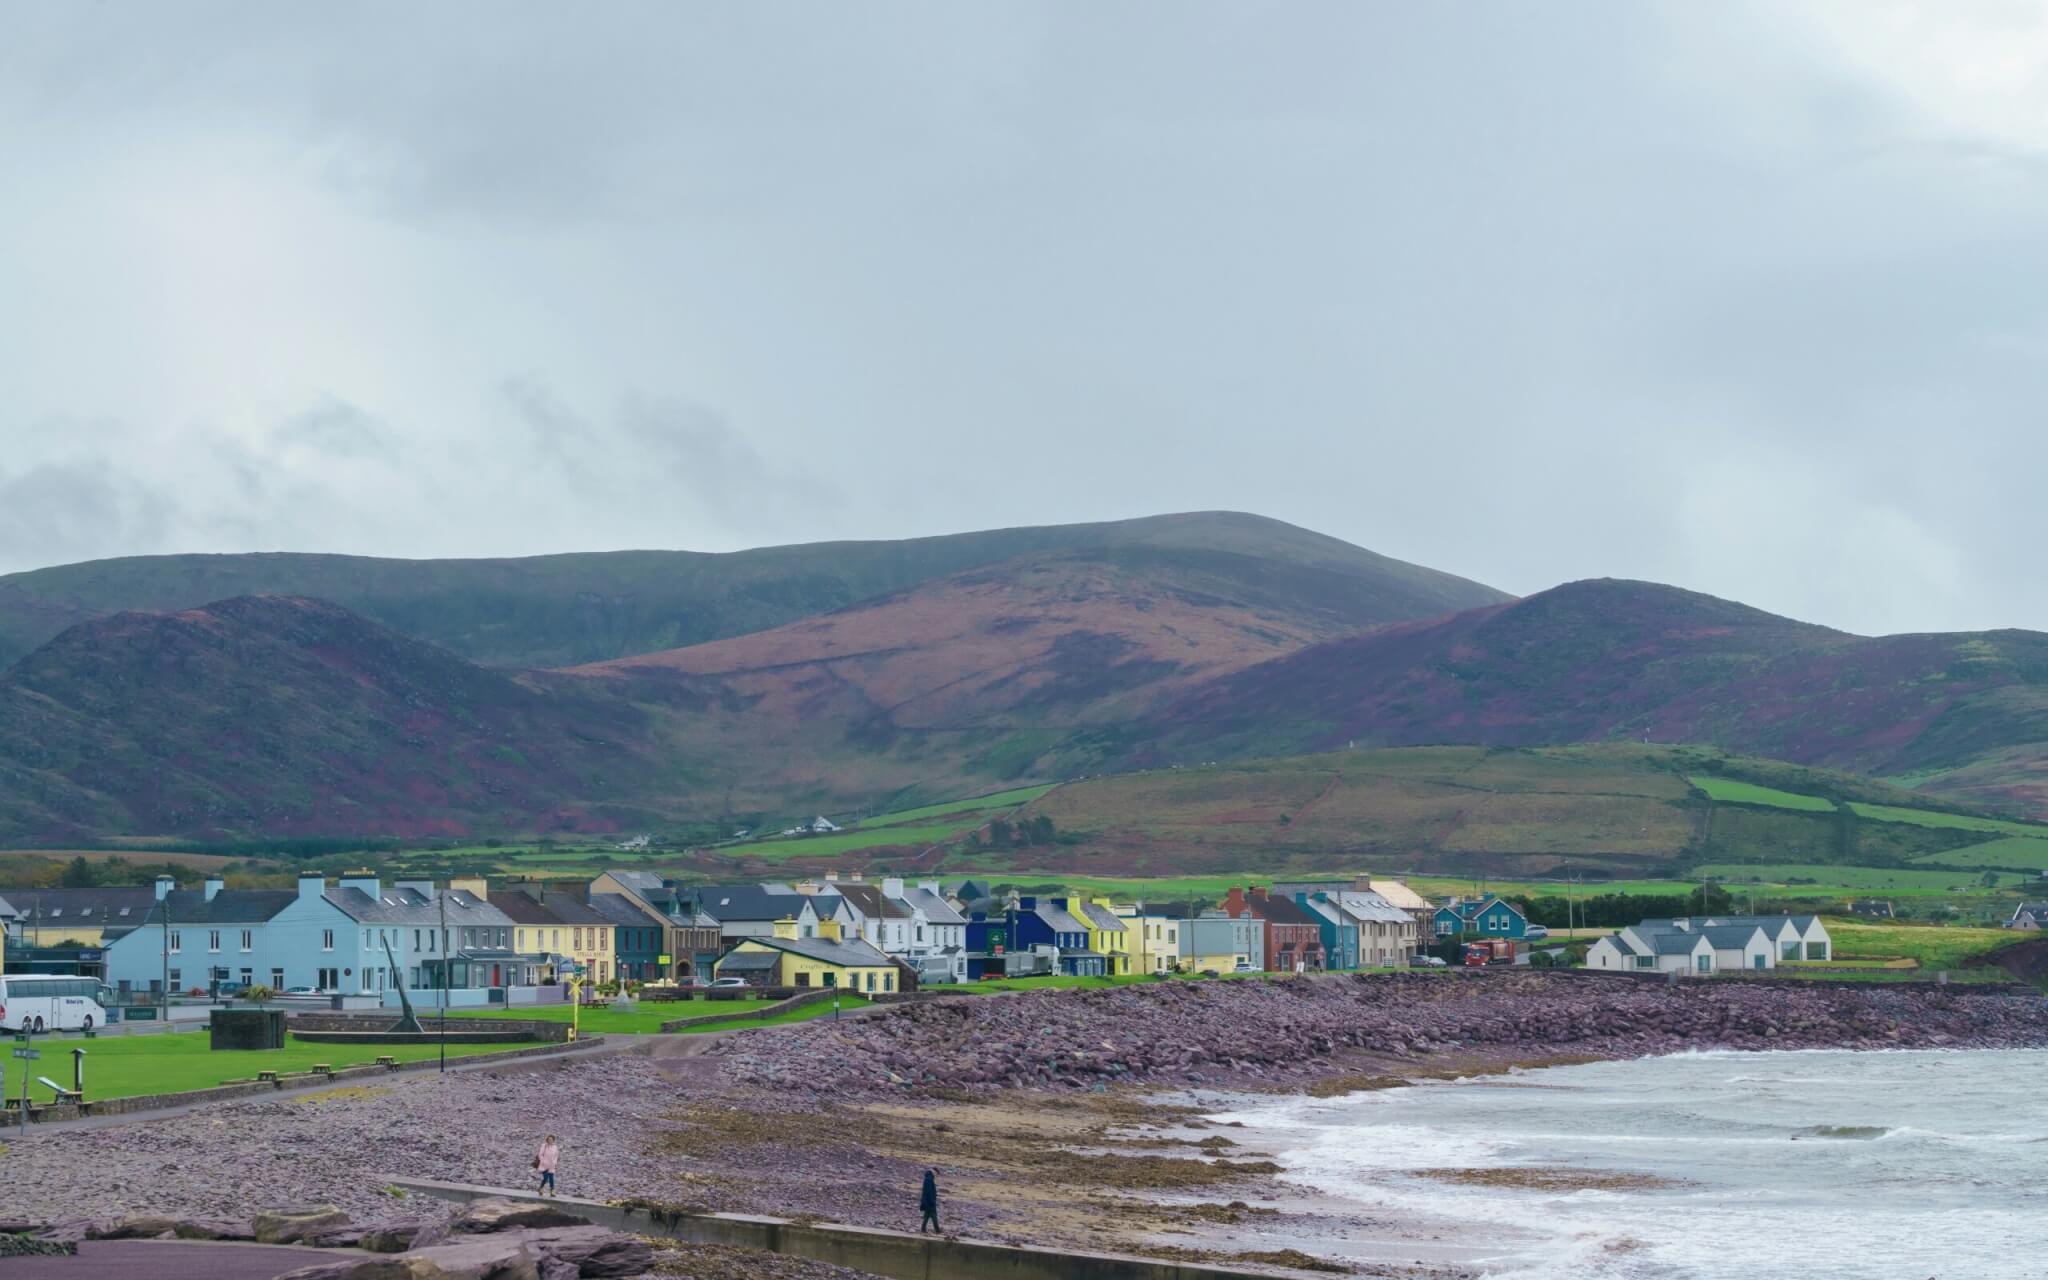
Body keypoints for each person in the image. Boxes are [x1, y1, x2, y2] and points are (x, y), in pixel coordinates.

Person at [918, 1168, 939, 1234]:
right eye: (937, 1174)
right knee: (934, 1215)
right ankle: (937, 1230)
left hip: (927, 1201)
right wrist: (932, 1200)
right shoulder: (929, 1179)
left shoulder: (928, 1178)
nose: (936, 1176)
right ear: (934, 1172)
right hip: (929, 1201)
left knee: (927, 1215)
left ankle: (923, 1228)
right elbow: (929, 1191)